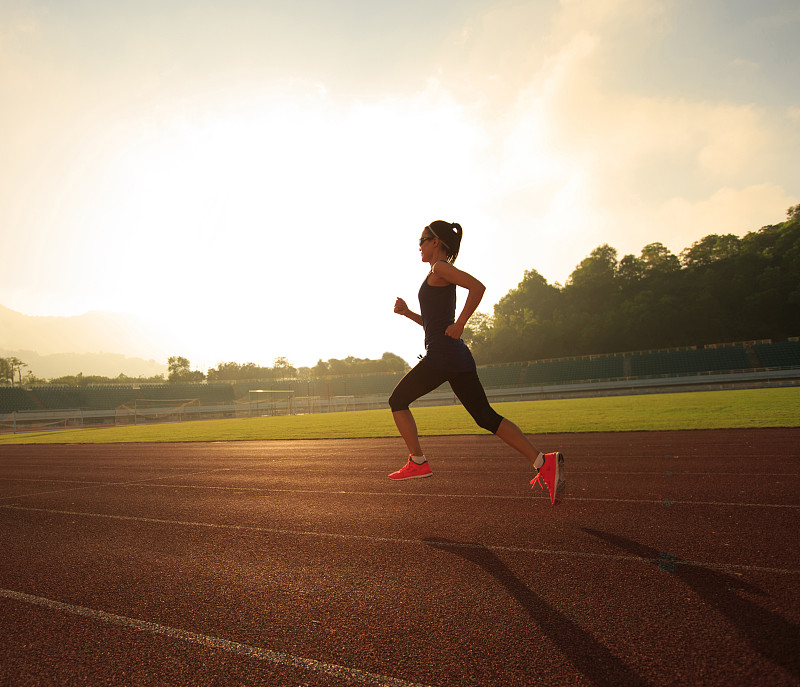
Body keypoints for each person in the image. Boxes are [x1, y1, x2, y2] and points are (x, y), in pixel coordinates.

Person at [388, 221, 565, 504]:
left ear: (436, 242)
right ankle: (543, 461)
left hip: (443, 355)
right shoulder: (436, 273)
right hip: (456, 355)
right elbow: (434, 325)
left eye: (422, 240)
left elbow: (477, 287)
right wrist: (409, 313)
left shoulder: (439, 268)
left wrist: (461, 323)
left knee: (397, 400)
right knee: (485, 417)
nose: (419, 246)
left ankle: (418, 461)